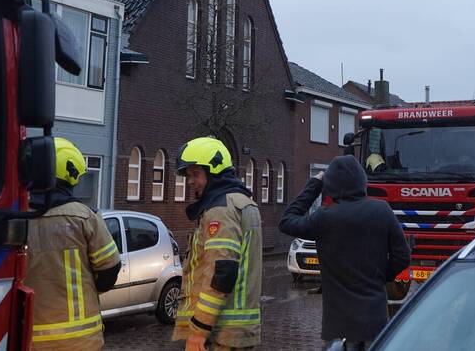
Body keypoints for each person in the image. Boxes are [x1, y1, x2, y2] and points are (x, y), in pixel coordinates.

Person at [279, 155, 410, 350]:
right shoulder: (381, 211)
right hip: (374, 318)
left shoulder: (324, 218)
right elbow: (402, 257)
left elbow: (286, 221)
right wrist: (381, 277)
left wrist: (315, 184)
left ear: (331, 186)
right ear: (362, 181)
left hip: (339, 323)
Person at [25, 138, 121, 349]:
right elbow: (110, 269)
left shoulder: (15, 216)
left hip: (27, 338)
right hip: (81, 339)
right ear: (70, 174)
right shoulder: (84, 217)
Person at [173, 137, 262, 351]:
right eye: (188, 175)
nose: (190, 181)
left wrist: (199, 330)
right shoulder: (242, 202)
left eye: (196, 174)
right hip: (232, 330)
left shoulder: (221, 209)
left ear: (214, 172)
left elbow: (221, 272)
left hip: (218, 332)